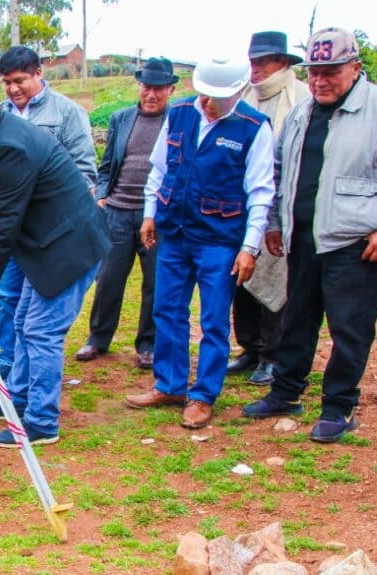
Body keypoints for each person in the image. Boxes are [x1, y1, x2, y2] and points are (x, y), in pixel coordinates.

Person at [243, 28, 377, 442]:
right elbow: (278, 173)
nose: (320, 81)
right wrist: (275, 223)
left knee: (350, 329)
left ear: (355, 68)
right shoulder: (301, 114)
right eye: (314, 72)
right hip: (304, 241)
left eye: (330, 72)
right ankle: (286, 392)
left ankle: (339, 406)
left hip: (357, 246)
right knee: (297, 320)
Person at [0, 70, 107, 447]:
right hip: (48, 243)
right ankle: (16, 399)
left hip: (70, 247)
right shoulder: (3, 138)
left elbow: (6, 225)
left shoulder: (11, 147)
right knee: (23, 323)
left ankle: (41, 422)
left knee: (41, 332)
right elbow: (8, 217)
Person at [124, 56, 275, 430]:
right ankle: (170, 384)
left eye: (218, 97)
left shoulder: (254, 128)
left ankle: (203, 395)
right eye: (205, 94)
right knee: (167, 310)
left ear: (240, 91)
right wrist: (149, 213)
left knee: (213, 320)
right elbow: (160, 168)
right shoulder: (180, 115)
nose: (208, 103)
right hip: (173, 233)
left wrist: (249, 247)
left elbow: (260, 191)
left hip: (219, 241)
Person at [0, 46, 97, 379]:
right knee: (12, 302)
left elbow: (83, 172)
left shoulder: (66, 113)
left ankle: (33, 397)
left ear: (39, 74)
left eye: (20, 80)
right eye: (7, 82)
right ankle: (11, 377)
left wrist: (45, 211)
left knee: (39, 322)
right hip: (11, 232)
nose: (13, 89)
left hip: (47, 236)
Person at [75, 58, 178, 369]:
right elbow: (106, 166)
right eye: (147, 86)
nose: (151, 94)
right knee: (108, 279)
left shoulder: (178, 121)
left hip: (155, 218)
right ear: (139, 86)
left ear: (170, 89)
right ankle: (98, 338)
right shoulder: (121, 119)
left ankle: (148, 344)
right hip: (118, 212)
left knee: (155, 282)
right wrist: (103, 195)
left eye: (158, 88)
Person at [227, 31, 311, 385]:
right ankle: (249, 346)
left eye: (263, 62)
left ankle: (272, 354)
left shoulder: (301, 99)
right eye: (252, 62)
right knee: (241, 279)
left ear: (283, 63)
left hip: (281, 205)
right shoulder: (242, 98)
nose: (256, 69)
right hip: (241, 204)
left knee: (277, 278)